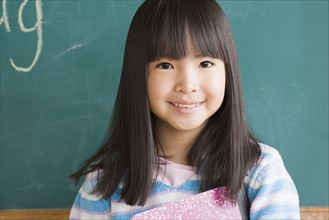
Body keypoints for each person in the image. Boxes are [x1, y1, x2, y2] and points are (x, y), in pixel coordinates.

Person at [69, 0, 300, 219]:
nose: (187, 85)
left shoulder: (260, 172)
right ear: (138, 74)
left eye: (205, 63)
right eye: (166, 65)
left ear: (228, 71)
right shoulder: (103, 184)